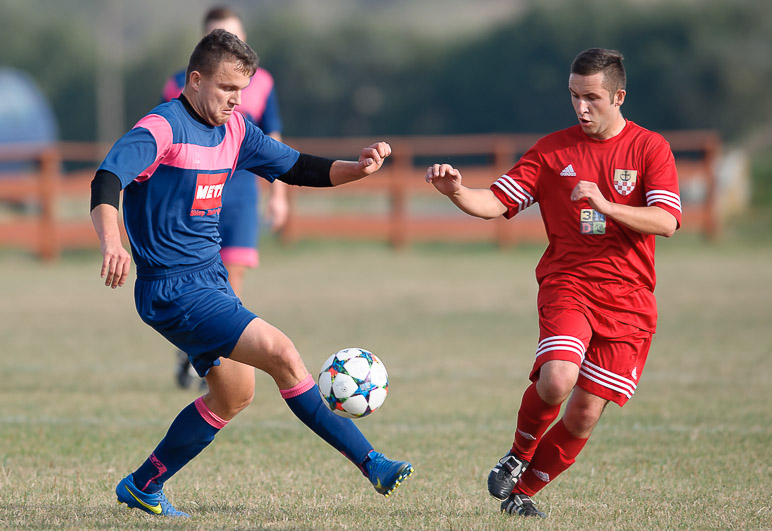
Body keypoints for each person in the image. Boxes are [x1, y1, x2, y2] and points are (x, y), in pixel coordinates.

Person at [91, 29, 413, 518]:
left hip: (210, 280)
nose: (235, 101)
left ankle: (142, 485)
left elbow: (298, 167)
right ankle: (373, 462)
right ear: (195, 81)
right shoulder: (162, 128)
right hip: (172, 289)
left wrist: (358, 168)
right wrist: (112, 242)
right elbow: (107, 177)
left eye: (241, 91)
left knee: (235, 394)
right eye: (226, 89)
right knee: (283, 353)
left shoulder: (236, 130)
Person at [426, 48, 681, 518]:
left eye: (592, 98)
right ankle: (518, 453)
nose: (581, 108)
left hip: (630, 300)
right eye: (573, 96)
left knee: (583, 414)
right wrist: (458, 191)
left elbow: (666, 221)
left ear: (619, 96)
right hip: (570, 283)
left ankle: (523, 494)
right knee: (558, 377)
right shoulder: (552, 151)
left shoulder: (650, 148)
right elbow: (497, 202)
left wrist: (608, 206)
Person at [162, 6, 289, 390]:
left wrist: (278, 196)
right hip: (195, 195)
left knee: (231, 279)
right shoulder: (177, 84)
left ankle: (212, 356)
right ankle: (197, 350)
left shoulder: (262, 83)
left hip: (238, 195)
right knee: (195, 278)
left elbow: (274, 144)